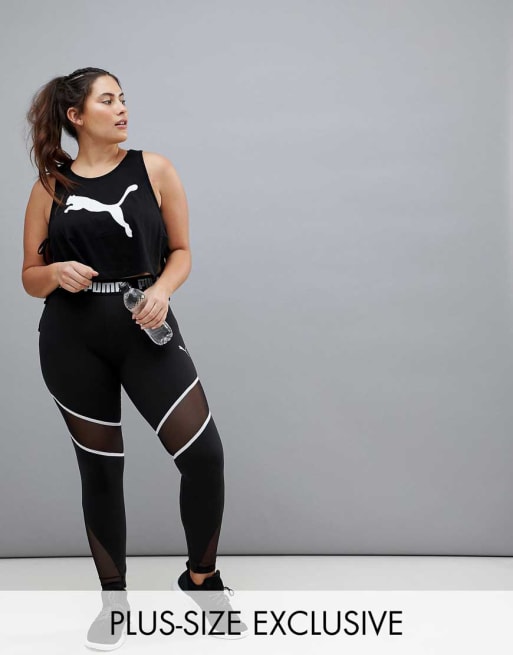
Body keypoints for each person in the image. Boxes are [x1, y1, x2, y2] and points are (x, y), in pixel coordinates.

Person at [22, 67, 248, 648]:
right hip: (71, 341)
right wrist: (55, 271)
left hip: (146, 328)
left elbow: (182, 251)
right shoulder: (50, 187)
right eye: (108, 100)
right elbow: (29, 277)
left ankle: (202, 580)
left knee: (205, 457)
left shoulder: (155, 169)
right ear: (76, 116)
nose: (122, 108)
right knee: (100, 470)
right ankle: (114, 603)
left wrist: (163, 291)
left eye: (123, 98)